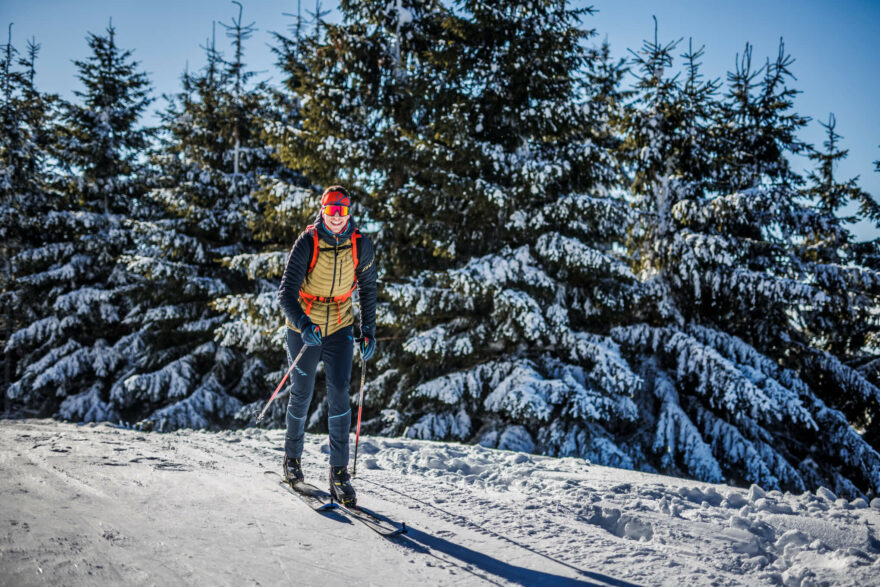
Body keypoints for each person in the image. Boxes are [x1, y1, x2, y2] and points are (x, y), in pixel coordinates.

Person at [277, 185, 377, 506]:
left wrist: (369, 331)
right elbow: (285, 293)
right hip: (304, 326)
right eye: (331, 210)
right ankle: (292, 461)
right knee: (302, 394)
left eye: (342, 211)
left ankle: (339, 474)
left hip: (340, 325)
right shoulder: (308, 242)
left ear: (349, 212)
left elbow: (367, 289)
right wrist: (304, 324)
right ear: (323, 210)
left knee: (339, 395)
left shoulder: (360, 244)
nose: (337, 217)